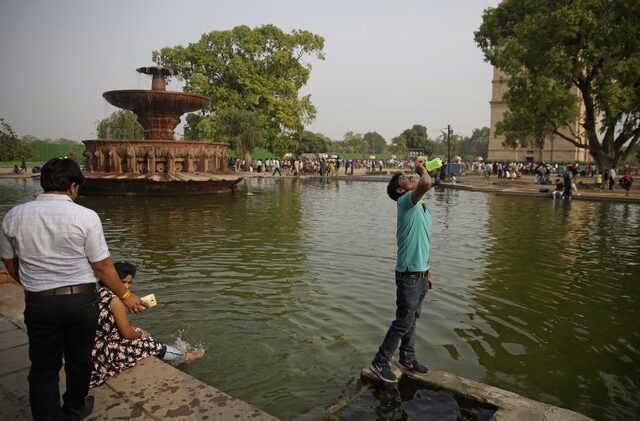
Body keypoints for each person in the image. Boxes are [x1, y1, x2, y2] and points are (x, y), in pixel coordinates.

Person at [0, 158, 147, 421]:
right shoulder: (85, 216)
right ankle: (75, 407)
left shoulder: (14, 215)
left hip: (40, 302)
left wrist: (26, 281)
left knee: (44, 367)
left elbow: (8, 259)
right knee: (80, 358)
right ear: (73, 187)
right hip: (81, 300)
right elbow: (102, 266)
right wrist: (125, 296)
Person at [370, 160, 435, 384]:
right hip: (408, 275)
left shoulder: (423, 209)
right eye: (407, 179)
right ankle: (380, 361)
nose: (412, 178)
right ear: (400, 190)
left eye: (411, 176)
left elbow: (424, 241)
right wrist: (422, 170)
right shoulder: (406, 203)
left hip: (421, 274)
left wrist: (428, 271)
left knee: (412, 318)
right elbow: (426, 182)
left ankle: (407, 358)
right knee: (402, 321)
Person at [90, 262, 204, 388]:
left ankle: (166, 349)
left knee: (139, 333)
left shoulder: (101, 292)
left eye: (129, 283)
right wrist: (141, 334)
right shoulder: (116, 301)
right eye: (123, 282)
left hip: (96, 345)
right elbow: (127, 334)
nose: (127, 287)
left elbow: (108, 322)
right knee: (148, 343)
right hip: (108, 353)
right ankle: (184, 356)